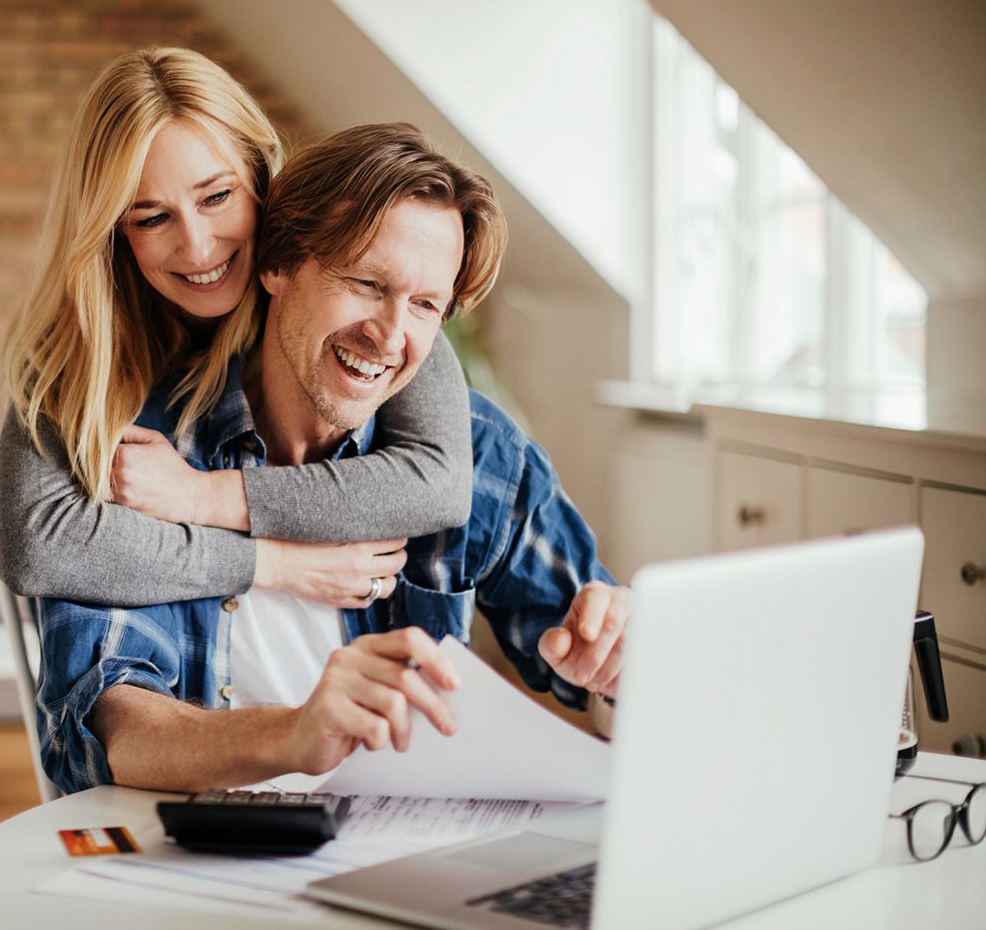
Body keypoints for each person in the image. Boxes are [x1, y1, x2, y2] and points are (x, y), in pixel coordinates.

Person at [35, 123, 627, 795]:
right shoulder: (146, 457)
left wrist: (617, 672)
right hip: (199, 840)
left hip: (410, 839)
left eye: (425, 305)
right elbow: (109, 727)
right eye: (367, 283)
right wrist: (291, 734)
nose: (390, 337)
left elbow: (600, 685)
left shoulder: (481, 453)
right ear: (277, 266)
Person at [0, 48, 477, 613]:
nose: (199, 248)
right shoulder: (82, 345)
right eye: (152, 217)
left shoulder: (343, 297)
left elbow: (439, 483)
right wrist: (277, 564)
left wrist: (200, 496)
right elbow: (36, 545)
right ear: (113, 231)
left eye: (217, 197)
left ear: (258, 176)